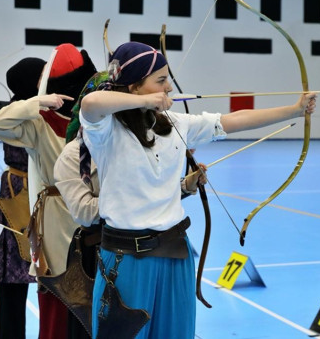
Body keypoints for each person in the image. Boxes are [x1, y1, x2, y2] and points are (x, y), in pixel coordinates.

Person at [78, 41, 317, 338]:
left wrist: (294, 110)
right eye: (161, 80)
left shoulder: (175, 123)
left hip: (175, 254)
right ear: (135, 86)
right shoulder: (106, 129)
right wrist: (144, 102)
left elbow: (231, 121)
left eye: (169, 80)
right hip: (127, 258)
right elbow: (90, 105)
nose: (169, 88)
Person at [53, 71, 208, 338]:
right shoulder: (72, 155)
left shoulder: (138, 140)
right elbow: (83, 212)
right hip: (98, 251)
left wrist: (183, 186)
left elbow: (151, 192)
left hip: (143, 250)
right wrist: (129, 197)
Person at [0, 44, 97, 339]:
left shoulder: (91, 120)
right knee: (47, 288)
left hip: (89, 215)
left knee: (91, 295)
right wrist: (37, 101)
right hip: (44, 211)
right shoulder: (35, 120)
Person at [0, 57, 46, 339]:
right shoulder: (8, 113)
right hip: (17, 195)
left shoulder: (48, 107)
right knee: (11, 279)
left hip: (45, 195)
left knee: (52, 278)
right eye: (43, 76)